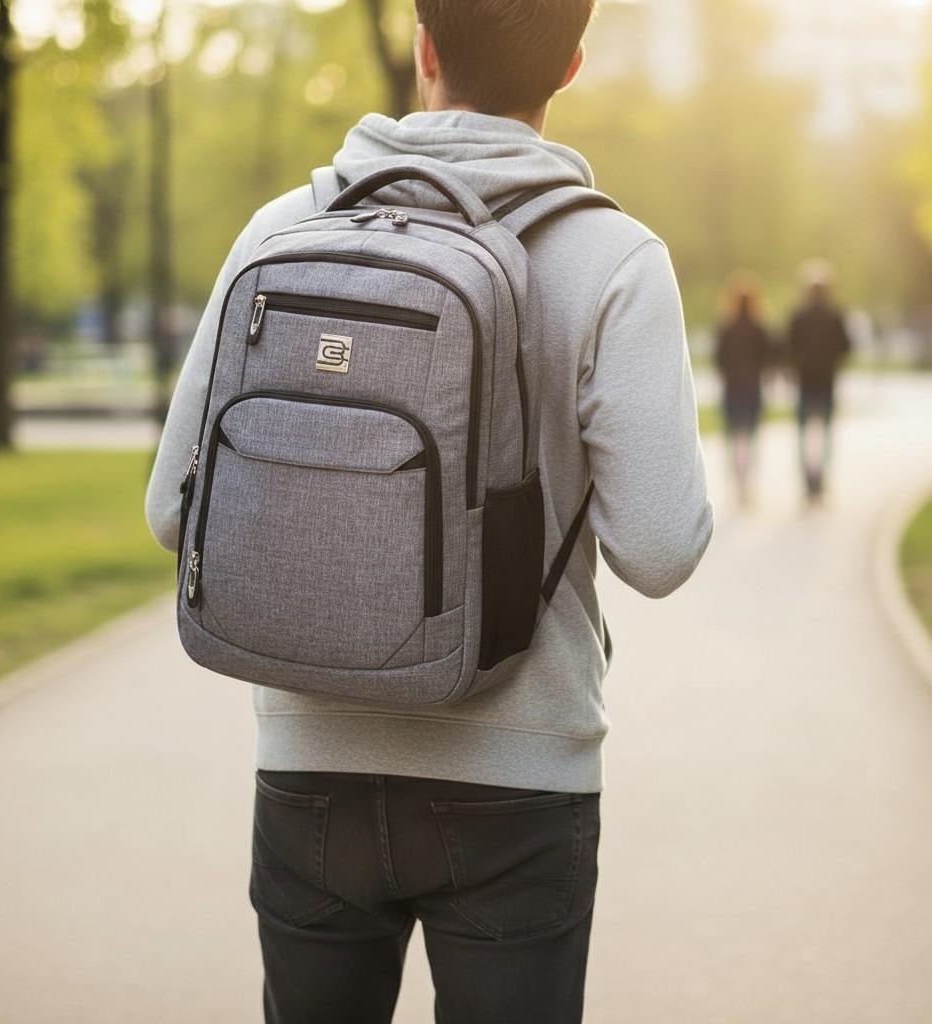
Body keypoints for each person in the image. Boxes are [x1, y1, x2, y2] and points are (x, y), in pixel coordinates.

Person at [144, 2, 713, 1020]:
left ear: (423, 47)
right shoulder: (615, 258)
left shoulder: (283, 229)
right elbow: (661, 548)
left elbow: (167, 510)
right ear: (572, 64)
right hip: (519, 776)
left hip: (309, 766)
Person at [786, 260, 852, 504]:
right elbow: (846, 346)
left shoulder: (798, 315)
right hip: (826, 381)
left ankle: (808, 482)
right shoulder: (835, 315)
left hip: (805, 382)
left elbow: (788, 348)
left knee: (805, 435)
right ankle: (820, 480)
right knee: (824, 435)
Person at [714, 270, 774, 507]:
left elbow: (718, 358)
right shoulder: (759, 327)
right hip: (752, 388)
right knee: (751, 439)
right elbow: (769, 356)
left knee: (733, 438)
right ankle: (748, 481)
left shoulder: (726, 328)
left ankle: (737, 482)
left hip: (732, 388)